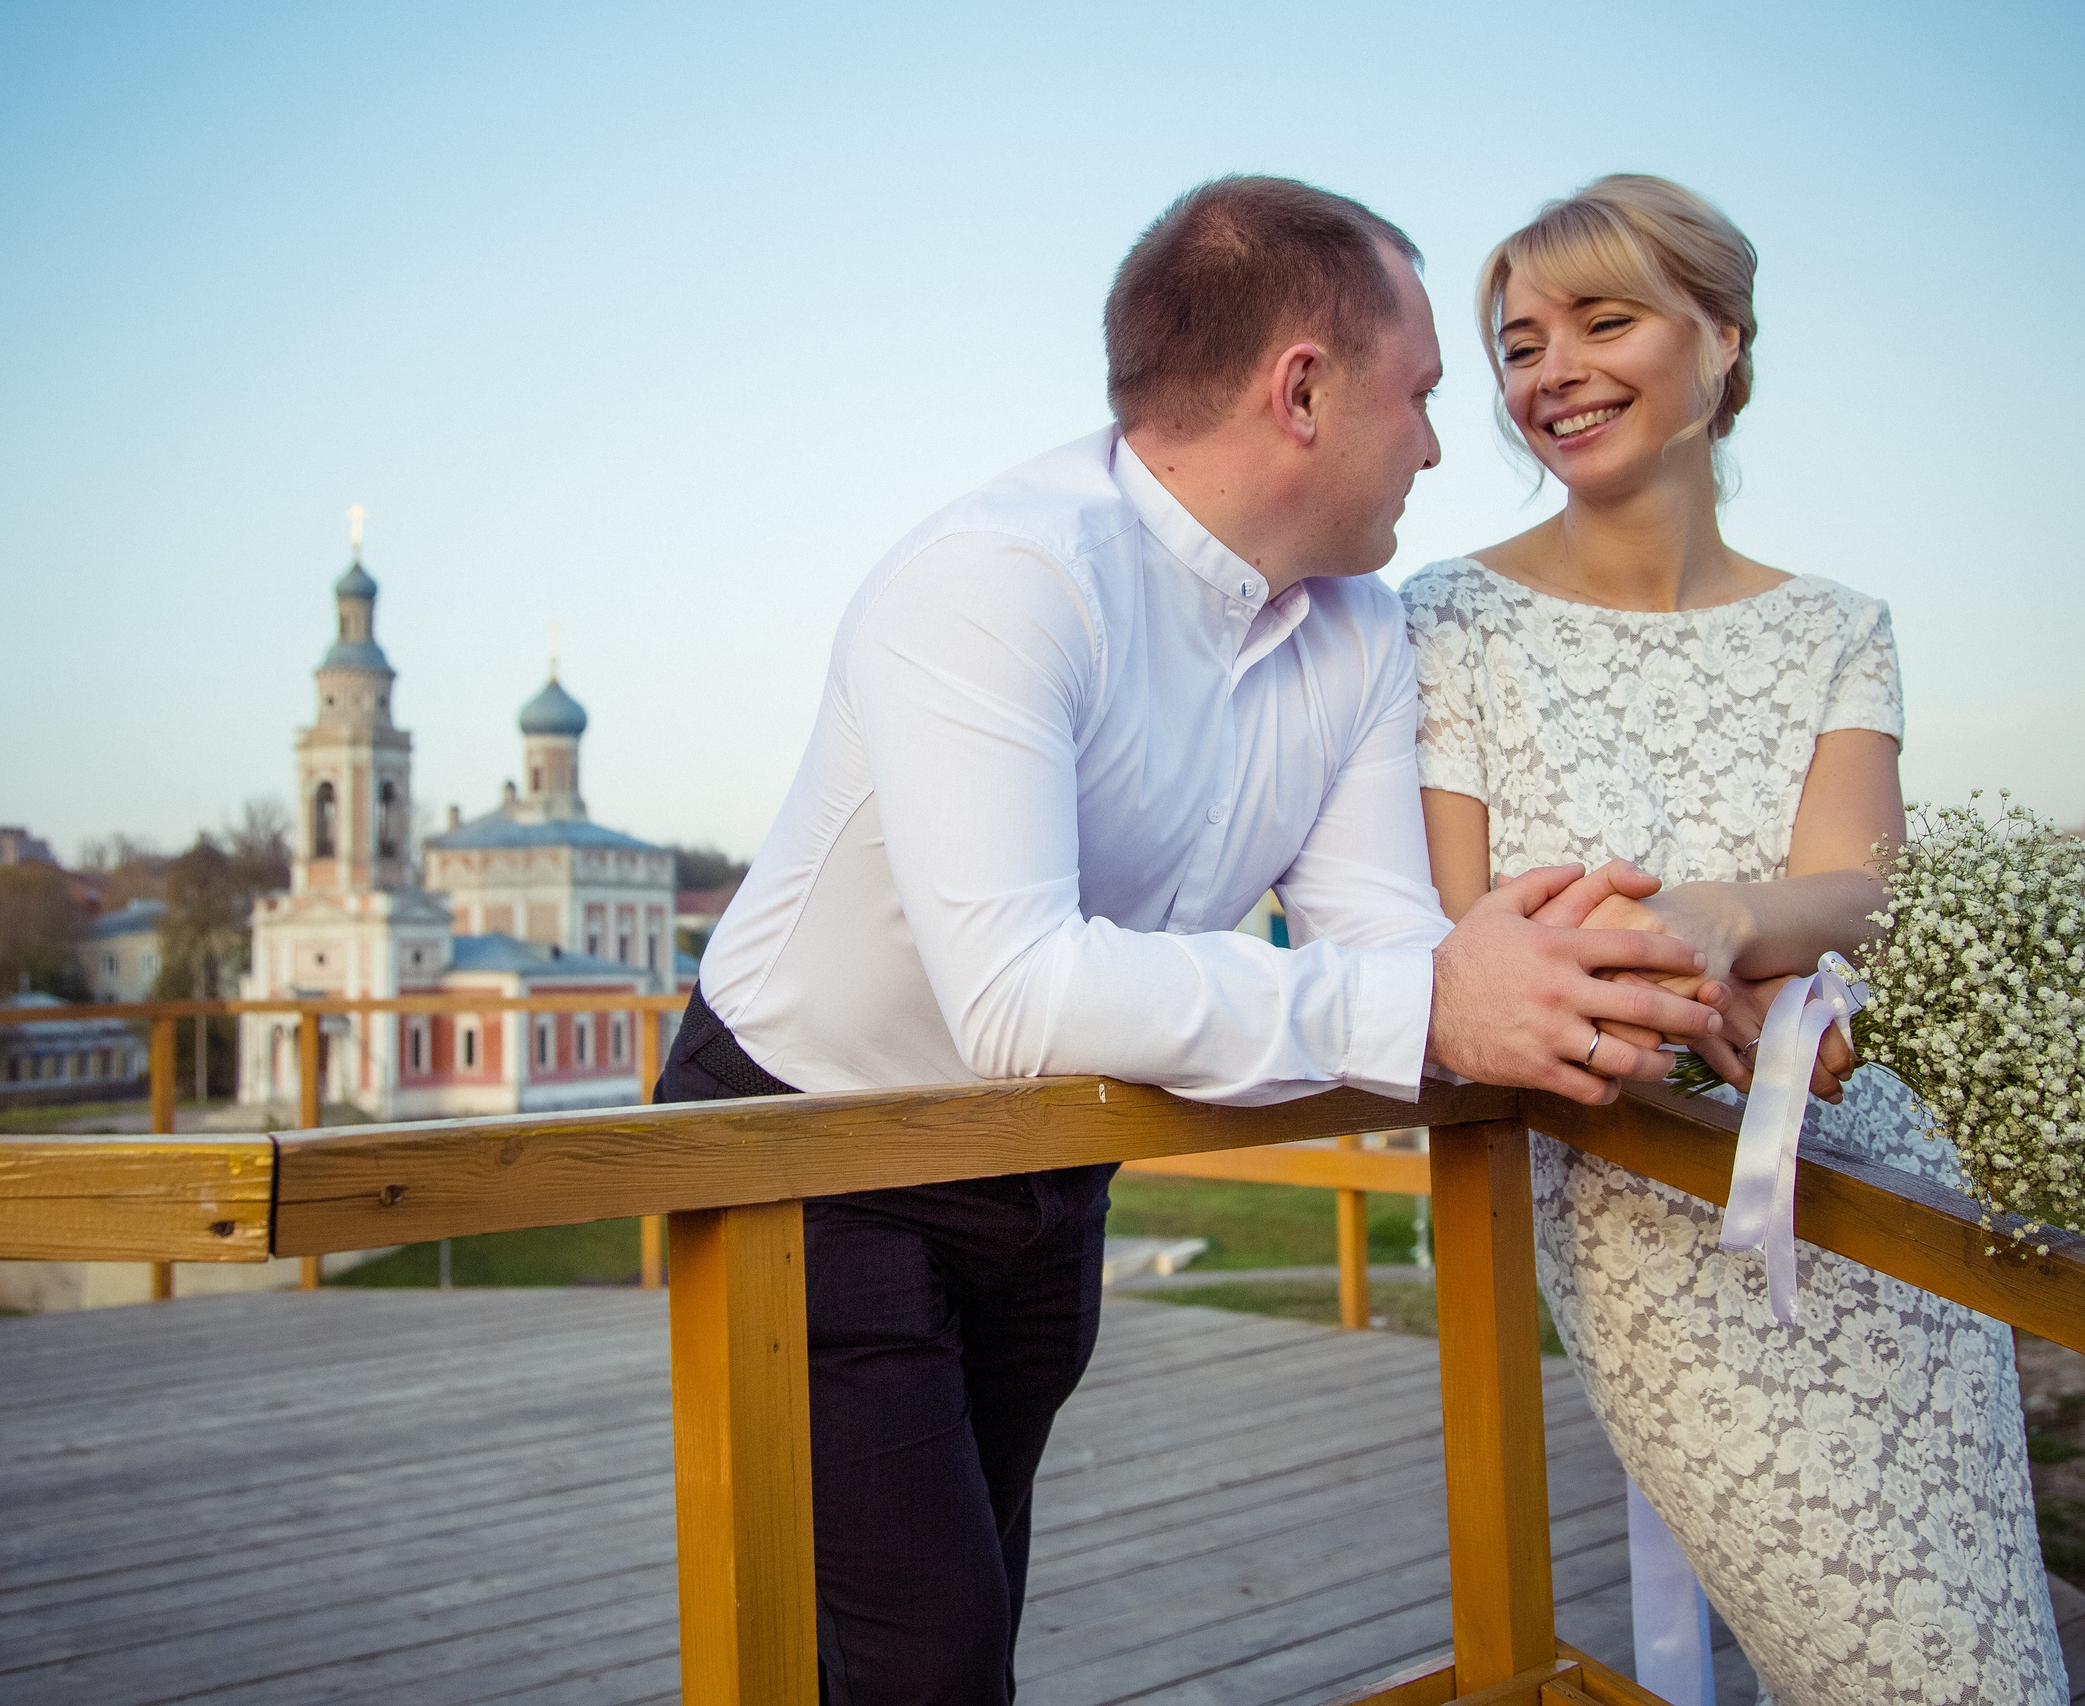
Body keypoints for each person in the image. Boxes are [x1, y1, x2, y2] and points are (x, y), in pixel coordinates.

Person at [663, 175, 1727, 1705]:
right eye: (1422, 392)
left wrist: (1586, 979)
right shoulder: (996, 581)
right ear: (1303, 390)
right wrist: (1437, 995)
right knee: (928, 1661)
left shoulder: (1360, 628)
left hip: (1053, 1158)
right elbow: (1023, 991)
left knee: (966, 1611)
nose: (1443, 440)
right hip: (807, 1154)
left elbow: (1385, 941)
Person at [1403, 174, 2066, 1704]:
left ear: (1721, 341)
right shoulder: (1446, 622)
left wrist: (1720, 914)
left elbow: (1865, 891)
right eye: (1517, 344)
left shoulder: (1842, 622)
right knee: (1875, 1653)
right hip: (1648, 1194)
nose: (1550, 368)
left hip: (1875, 1163)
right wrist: (1733, 947)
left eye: (1603, 320)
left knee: (1989, 1638)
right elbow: (1466, 930)